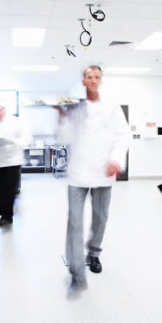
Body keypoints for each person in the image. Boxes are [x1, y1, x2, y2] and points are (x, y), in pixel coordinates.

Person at [56, 65, 129, 292]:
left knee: (100, 218)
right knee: (75, 222)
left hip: (103, 171)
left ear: (101, 80)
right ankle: (77, 272)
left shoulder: (111, 107)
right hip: (78, 172)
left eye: (97, 76)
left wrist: (116, 159)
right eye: (89, 76)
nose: (93, 80)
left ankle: (94, 253)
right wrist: (62, 118)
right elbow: (64, 138)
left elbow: (122, 134)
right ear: (84, 80)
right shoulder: (74, 107)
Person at [0, 100, 30, 227]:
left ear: (5, 109)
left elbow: (27, 138)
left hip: (12, 161)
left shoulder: (16, 122)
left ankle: (7, 216)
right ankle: (5, 214)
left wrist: (12, 141)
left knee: (9, 190)